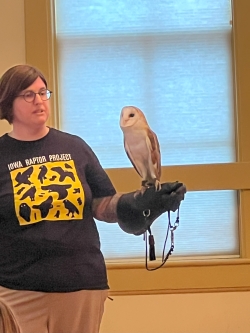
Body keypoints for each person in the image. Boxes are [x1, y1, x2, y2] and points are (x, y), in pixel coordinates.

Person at [0, 64, 186, 333]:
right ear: (8, 102)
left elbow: (101, 203)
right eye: (28, 95)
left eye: (43, 92)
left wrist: (136, 205)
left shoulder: (74, 147)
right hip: (17, 291)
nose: (39, 101)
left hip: (80, 285)